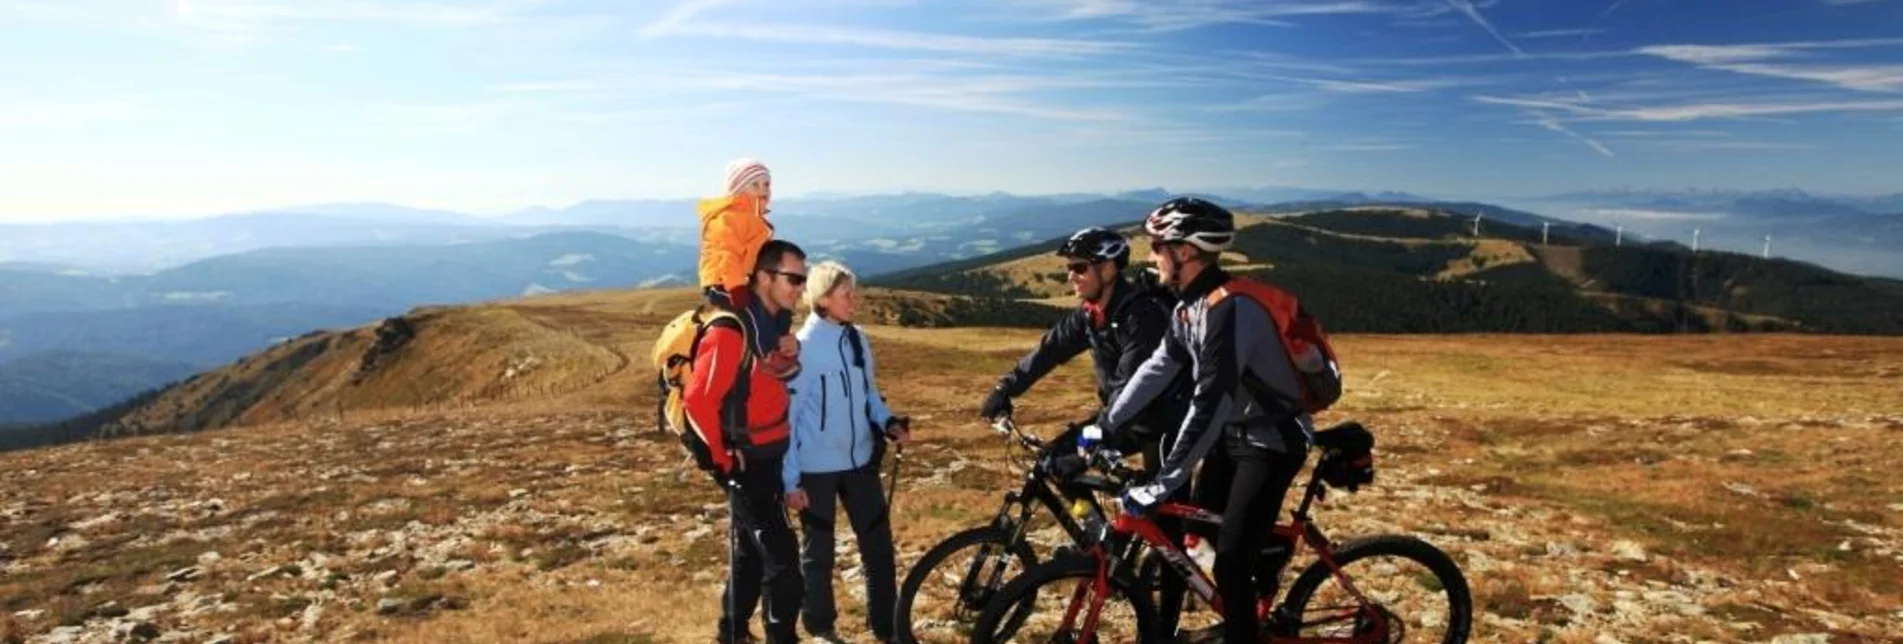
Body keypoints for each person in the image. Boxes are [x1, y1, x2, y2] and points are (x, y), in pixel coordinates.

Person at [1090, 197, 1322, 644]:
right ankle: (1263, 560)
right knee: (1197, 532)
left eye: (1159, 246)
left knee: (1231, 563)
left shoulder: (1229, 310)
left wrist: (1163, 481)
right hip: (1234, 436)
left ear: (1186, 252)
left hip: (1272, 440)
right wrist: (1107, 423)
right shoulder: (1188, 308)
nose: (1151, 255)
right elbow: (1157, 370)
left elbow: (1210, 402)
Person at [976, 226, 1198, 638]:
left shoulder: (1141, 314)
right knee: (1053, 465)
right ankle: (1102, 546)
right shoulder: (1092, 314)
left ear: (1110, 268)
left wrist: (1093, 440)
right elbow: (1050, 349)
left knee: (1169, 535)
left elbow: (1132, 388)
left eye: (1080, 268)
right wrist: (1005, 387)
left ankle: (1165, 627)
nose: (1071, 276)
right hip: (1123, 419)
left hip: (1165, 425)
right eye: (1069, 268)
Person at [682, 239, 812, 644]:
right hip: (746, 463)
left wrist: (790, 354)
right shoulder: (730, 330)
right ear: (763, 277)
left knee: (749, 552)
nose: (800, 288)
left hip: (769, 455)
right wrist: (723, 458)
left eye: (803, 280)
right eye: (793, 278)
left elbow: (773, 383)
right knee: (783, 561)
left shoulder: (771, 328)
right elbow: (698, 401)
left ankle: (731, 631)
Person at [782, 260, 912, 643]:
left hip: (859, 462)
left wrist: (888, 422)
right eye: (845, 295)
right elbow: (787, 421)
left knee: (879, 549)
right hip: (816, 469)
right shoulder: (802, 350)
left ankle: (886, 628)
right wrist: (790, 481)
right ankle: (822, 628)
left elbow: (870, 395)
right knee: (818, 554)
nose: (853, 301)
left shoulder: (857, 339)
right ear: (822, 299)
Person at [698, 157, 799, 379]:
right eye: (755, 184)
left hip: (744, 279)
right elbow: (727, 254)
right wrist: (736, 287)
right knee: (753, 311)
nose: (763, 189)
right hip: (721, 281)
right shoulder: (727, 218)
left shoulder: (754, 218)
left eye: (766, 184)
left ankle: (782, 342)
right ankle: (766, 356)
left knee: (779, 303)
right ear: (737, 189)